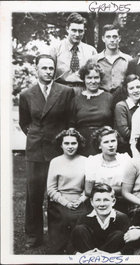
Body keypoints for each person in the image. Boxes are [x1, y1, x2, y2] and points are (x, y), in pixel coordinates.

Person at [19, 54, 75, 248]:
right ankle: (33, 235)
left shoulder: (66, 91)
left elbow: (70, 120)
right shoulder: (26, 94)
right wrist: (38, 136)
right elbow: (25, 123)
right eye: (44, 68)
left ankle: (56, 234)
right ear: (36, 69)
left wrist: (61, 141)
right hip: (35, 149)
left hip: (57, 148)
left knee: (57, 192)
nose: (48, 72)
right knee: (34, 194)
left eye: (51, 68)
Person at [47, 128, 88, 254]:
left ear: (78, 144)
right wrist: (65, 202)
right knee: (66, 218)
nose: (70, 147)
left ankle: (75, 250)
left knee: (81, 219)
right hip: (59, 202)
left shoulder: (85, 161)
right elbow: (51, 188)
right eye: (66, 143)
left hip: (80, 200)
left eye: (73, 143)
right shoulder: (55, 162)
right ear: (61, 145)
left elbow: (88, 188)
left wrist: (80, 200)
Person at [69, 60, 114, 156]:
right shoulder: (76, 100)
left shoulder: (109, 97)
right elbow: (71, 125)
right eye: (89, 78)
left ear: (100, 79)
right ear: (84, 79)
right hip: (82, 143)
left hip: (103, 142)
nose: (93, 81)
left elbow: (114, 124)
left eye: (96, 78)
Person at [71, 183, 130, 254]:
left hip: (110, 258)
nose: (102, 204)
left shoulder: (122, 218)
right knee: (80, 229)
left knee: (119, 235)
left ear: (113, 201)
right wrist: (83, 255)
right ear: (92, 202)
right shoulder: (84, 218)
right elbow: (71, 245)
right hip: (88, 257)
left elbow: (129, 246)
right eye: (98, 200)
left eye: (106, 200)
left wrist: (110, 255)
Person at [84, 126, 132, 213]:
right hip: (98, 203)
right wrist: (118, 188)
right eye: (106, 142)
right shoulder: (92, 161)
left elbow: (129, 189)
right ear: (99, 145)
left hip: (121, 204)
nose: (111, 145)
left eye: (113, 141)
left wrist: (99, 186)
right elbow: (88, 190)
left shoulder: (125, 159)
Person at [49, 12, 97, 94]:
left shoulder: (91, 51)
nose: (77, 34)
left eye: (80, 31)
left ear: (84, 31)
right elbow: (49, 74)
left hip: (84, 91)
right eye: (74, 30)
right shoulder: (55, 49)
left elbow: (95, 75)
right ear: (67, 29)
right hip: (61, 91)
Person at [91, 24, 132, 93]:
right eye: (108, 37)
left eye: (115, 37)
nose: (112, 40)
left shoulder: (128, 60)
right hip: (101, 98)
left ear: (119, 38)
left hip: (121, 98)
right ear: (103, 39)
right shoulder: (94, 60)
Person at [114, 74, 140, 155]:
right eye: (131, 88)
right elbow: (125, 132)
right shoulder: (121, 106)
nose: (136, 91)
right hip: (125, 148)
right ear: (126, 90)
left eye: (138, 87)